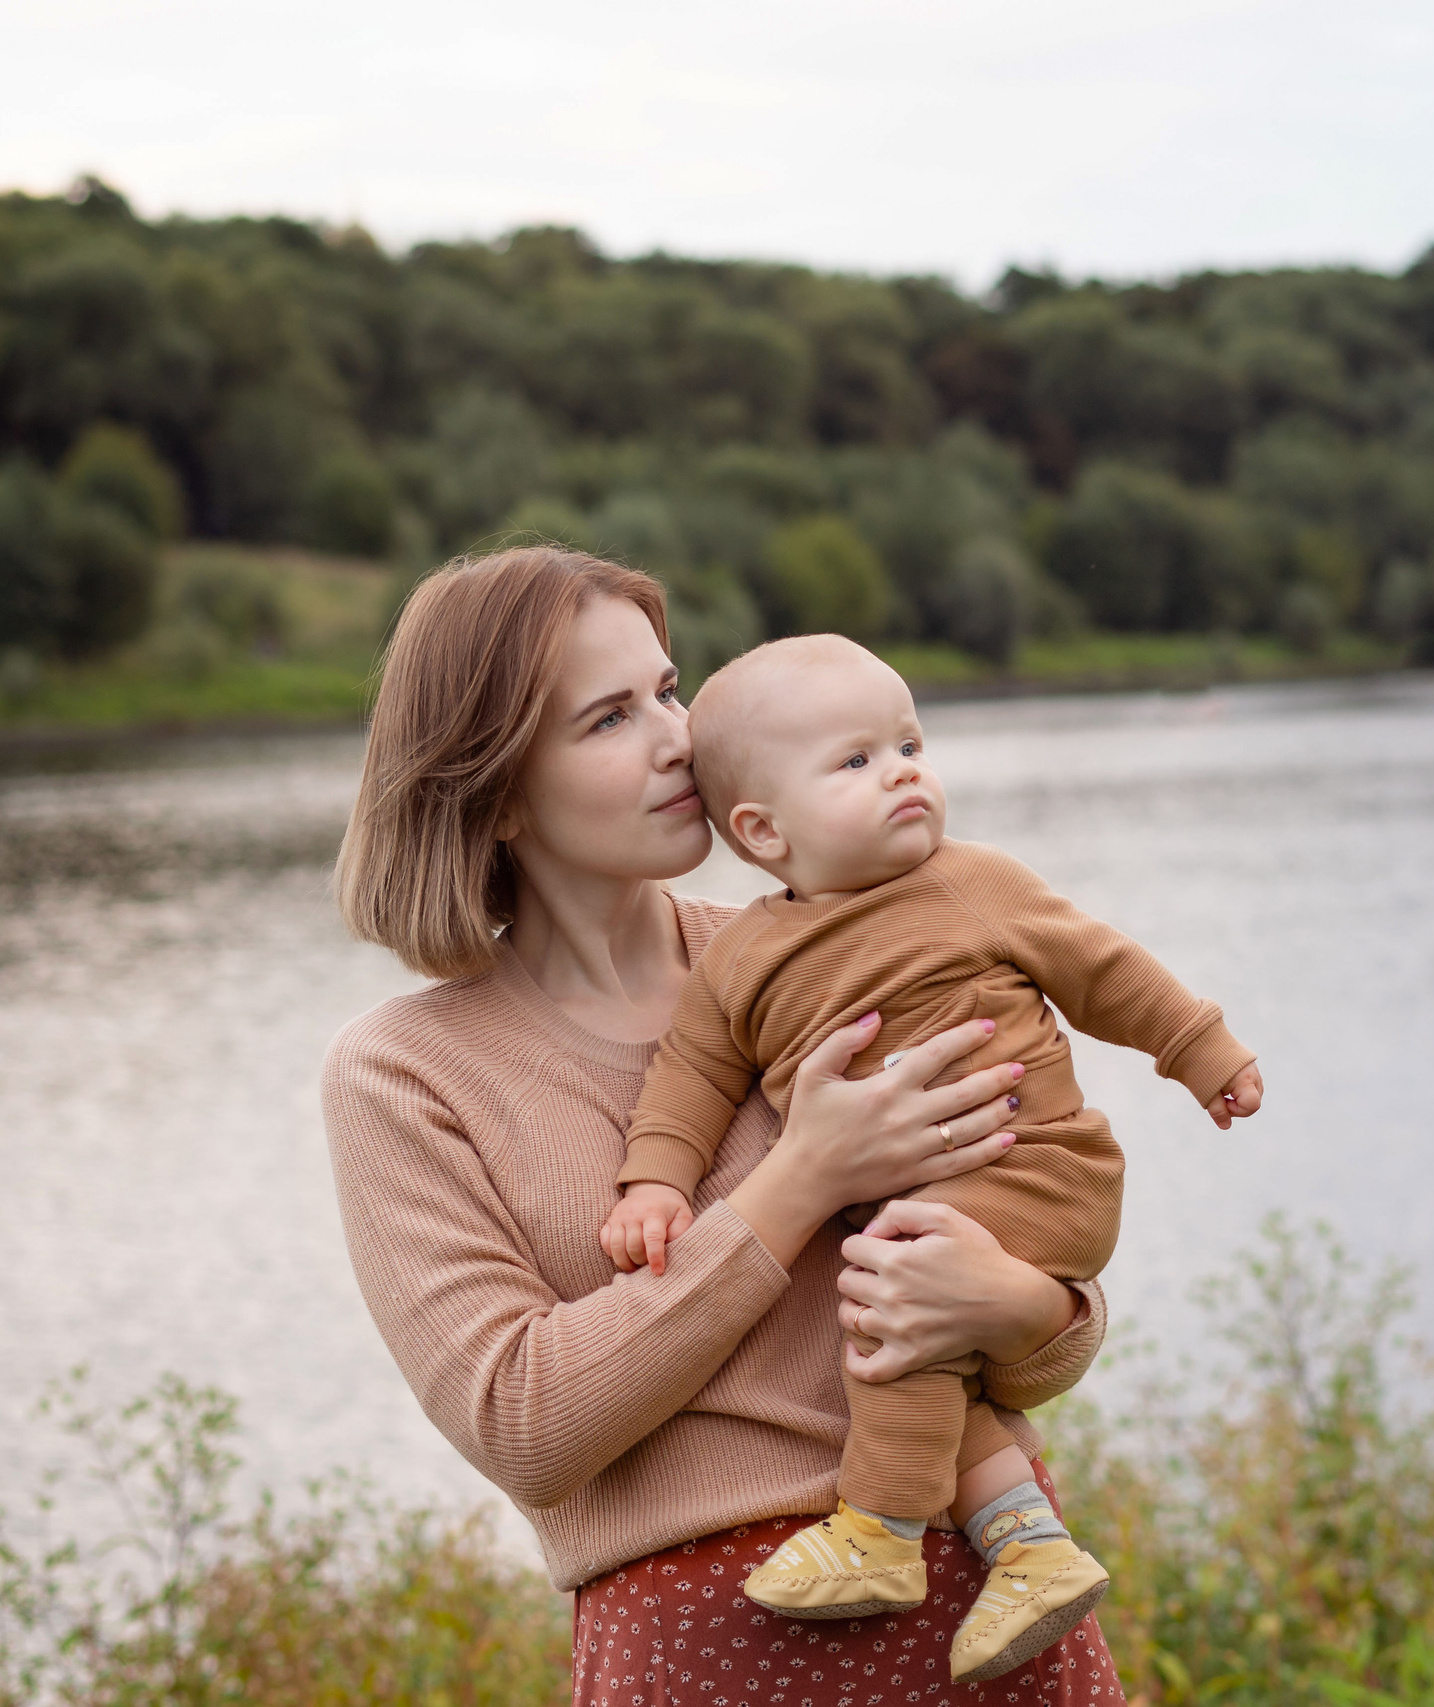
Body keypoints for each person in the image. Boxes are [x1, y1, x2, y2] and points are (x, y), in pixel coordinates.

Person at [322, 547, 1127, 1705]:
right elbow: (525, 1428)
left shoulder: (822, 949)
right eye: (608, 718)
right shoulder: (403, 1075)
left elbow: (1028, 1230)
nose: (675, 738)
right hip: (710, 1649)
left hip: (986, 1596)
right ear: (495, 793)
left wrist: (1027, 1308)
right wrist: (800, 1178)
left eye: (668, 688)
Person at [600, 634, 1262, 1684]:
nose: (904, 769)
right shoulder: (740, 958)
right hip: (934, 1203)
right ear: (762, 830)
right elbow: (689, 1075)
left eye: (909, 742)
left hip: (1034, 1162)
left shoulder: (974, 883)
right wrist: (654, 1181)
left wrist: (1197, 1048)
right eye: (856, 762)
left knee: (892, 1299)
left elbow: (1103, 968)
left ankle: (879, 1529)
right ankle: (1029, 1550)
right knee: (913, 1316)